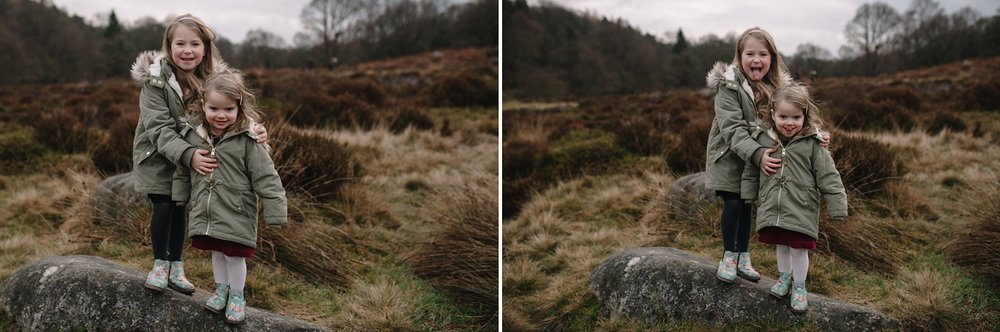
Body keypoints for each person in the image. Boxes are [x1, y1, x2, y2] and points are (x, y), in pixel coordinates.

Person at [130, 14, 267, 295]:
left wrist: (254, 131)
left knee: (180, 207)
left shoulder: (213, 82)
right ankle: (160, 265)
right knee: (164, 205)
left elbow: (229, 113)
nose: (187, 50)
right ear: (168, 46)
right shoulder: (155, 83)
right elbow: (160, 129)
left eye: (195, 43)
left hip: (191, 159)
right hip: (157, 156)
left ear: (205, 48)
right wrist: (189, 154)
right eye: (180, 43)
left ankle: (176, 266)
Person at [173, 69, 287, 324]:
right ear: (203, 105)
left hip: (237, 210)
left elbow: (266, 176)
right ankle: (221, 290)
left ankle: (237, 296)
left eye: (228, 109)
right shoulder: (196, 136)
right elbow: (183, 172)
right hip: (209, 211)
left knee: (234, 256)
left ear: (239, 107)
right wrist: (181, 197)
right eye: (214, 108)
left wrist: (275, 208)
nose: (221, 115)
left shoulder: (248, 140)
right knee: (217, 252)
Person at [741, 83, 847, 313]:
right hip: (774, 207)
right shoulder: (764, 140)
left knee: (798, 249)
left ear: (805, 116)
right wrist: (748, 194)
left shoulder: (813, 144)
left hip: (801, 206)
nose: (789, 123)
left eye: (796, 117)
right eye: (783, 117)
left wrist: (837, 204)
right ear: (772, 114)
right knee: (781, 245)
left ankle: (799, 286)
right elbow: (752, 170)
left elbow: (828, 175)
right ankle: (783, 278)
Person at [704, 27, 792, 285]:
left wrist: (817, 135)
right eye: (750, 53)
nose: (757, 60)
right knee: (732, 203)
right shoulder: (728, 87)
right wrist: (757, 154)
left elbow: (792, 119)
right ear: (739, 57)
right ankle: (728, 256)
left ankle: (743, 256)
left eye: (763, 54)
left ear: (772, 58)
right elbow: (733, 129)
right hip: (730, 156)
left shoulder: (776, 89)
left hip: (755, 160)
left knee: (746, 204)